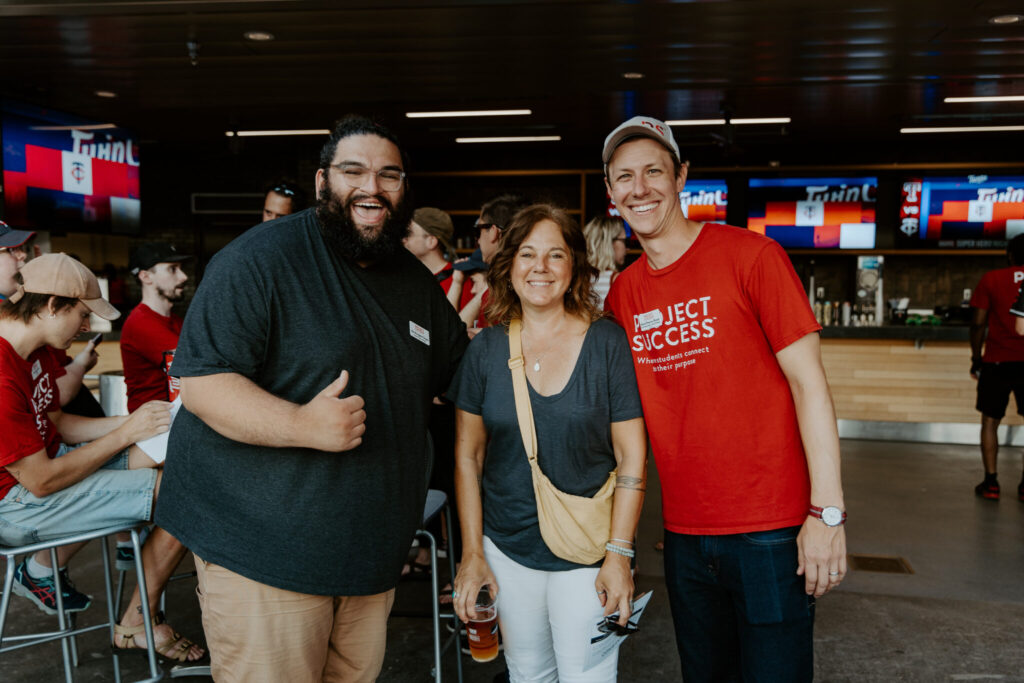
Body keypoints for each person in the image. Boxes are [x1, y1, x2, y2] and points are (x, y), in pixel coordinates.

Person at [154, 115, 469, 683]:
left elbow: (458, 371)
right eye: (355, 172)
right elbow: (202, 383)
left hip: (368, 555)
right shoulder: (259, 261)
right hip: (264, 553)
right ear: (324, 183)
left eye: (389, 175)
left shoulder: (411, 280)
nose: (372, 188)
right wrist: (302, 423)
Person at [602, 116, 846, 682]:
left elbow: (811, 384)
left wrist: (826, 513)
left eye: (653, 172)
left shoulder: (752, 257)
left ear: (681, 176)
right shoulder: (625, 293)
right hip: (685, 537)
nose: (639, 188)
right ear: (611, 192)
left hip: (772, 530)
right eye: (624, 177)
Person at [449, 204, 647, 682]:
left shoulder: (607, 343)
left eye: (555, 255)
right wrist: (473, 552)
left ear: (574, 266)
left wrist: (620, 555)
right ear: (508, 265)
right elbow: (467, 456)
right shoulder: (486, 350)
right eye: (527, 254)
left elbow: (632, 454)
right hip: (506, 549)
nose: (540, 267)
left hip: (587, 553)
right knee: (528, 674)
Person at [0, 253, 204, 662]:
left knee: (169, 461)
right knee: (189, 494)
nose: (88, 327)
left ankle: (47, 574)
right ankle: (137, 623)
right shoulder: (4, 372)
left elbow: (64, 427)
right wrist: (127, 432)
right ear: (52, 306)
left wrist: (141, 422)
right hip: (16, 505)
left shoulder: (35, 349)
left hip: (44, 474)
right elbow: (40, 480)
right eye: (83, 314)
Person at [1, 222, 101, 414]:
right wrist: (81, 364)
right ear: (53, 306)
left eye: (22, 249)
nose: (22, 256)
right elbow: (60, 392)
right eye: (11, 250)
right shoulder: (16, 324)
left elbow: (47, 391)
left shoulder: (22, 313)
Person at [969, 234, 1024, 502]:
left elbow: (978, 322)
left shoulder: (992, 279)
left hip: (997, 361)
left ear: (1010, 255)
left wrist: (975, 357)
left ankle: (991, 483)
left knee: (990, 422)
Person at [121, 242, 191, 412]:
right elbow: (196, 365)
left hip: (173, 417)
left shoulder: (175, 321)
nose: (183, 277)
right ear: (145, 276)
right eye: (172, 269)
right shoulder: (141, 323)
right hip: (152, 428)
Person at [404, 206, 457, 290]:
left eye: (409, 234)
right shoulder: (408, 276)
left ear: (431, 241)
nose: (403, 239)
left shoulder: (457, 281)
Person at [583, 215, 628, 307]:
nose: (627, 248)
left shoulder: (576, 277)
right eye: (624, 241)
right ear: (609, 242)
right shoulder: (617, 280)